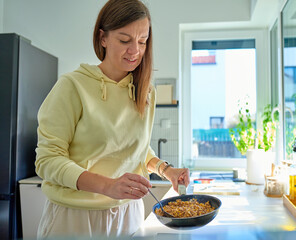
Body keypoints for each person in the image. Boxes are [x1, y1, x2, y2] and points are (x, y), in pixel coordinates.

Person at [35, 0, 190, 238]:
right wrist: (108, 186)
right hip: (76, 217)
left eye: (142, 41)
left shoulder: (145, 91)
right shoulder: (73, 86)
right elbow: (47, 161)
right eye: (125, 40)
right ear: (103, 38)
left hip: (129, 215)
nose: (135, 51)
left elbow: (134, 148)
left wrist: (165, 169)